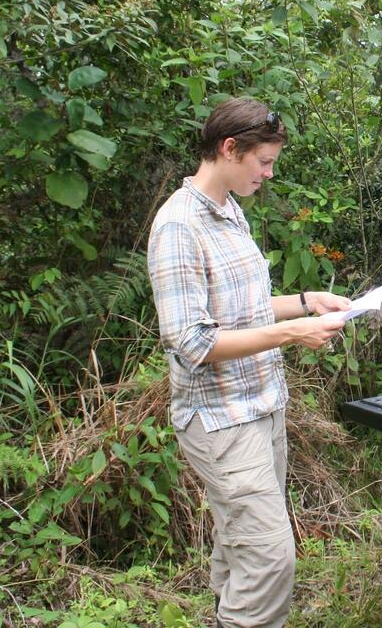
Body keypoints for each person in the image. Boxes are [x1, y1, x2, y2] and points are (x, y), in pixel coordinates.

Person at [147, 97, 349, 628]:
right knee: (269, 555)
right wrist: (291, 332)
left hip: (263, 408)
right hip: (220, 421)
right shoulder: (178, 226)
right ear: (228, 148)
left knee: (240, 545)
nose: (269, 172)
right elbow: (192, 341)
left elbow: (245, 310)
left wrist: (307, 302)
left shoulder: (231, 211)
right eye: (263, 161)